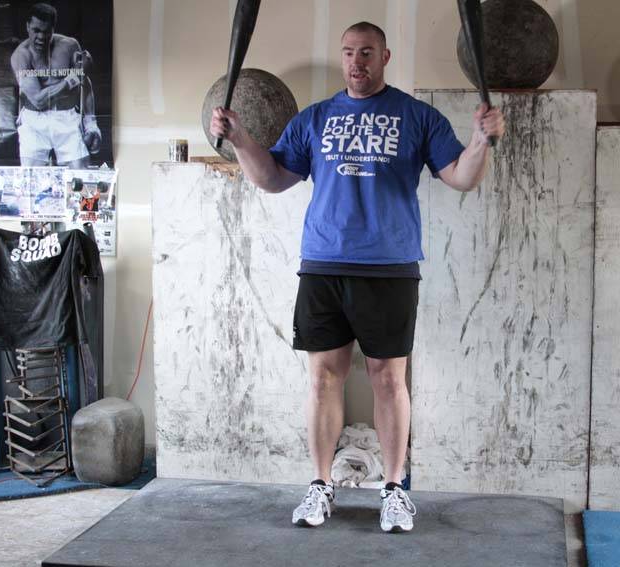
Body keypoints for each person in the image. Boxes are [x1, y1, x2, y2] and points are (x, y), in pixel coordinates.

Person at [209, 21, 505, 533]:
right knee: (323, 378)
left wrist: (480, 140)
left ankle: (394, 488)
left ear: (384, 57)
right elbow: (272, 178)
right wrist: (239, 139)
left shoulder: (416, 116)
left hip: (389, 268)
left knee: (389, 380)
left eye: (366, 52)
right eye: (348, 52)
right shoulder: (315, 118)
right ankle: (320, 485)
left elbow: (461, 177)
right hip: (323, 265)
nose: (356, 62)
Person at [10, 3, 101, 167]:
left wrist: (91, 122)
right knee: (31, 178)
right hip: (34, 122)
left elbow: (85, 82)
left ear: (53, 28)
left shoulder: (70, 46)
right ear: (27, 26)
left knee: (79, 175)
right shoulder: (21, 56)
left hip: (67, 117)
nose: (41, 37)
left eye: (46, 31)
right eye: (36, 30)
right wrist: (73, 78)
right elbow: (38, 100)